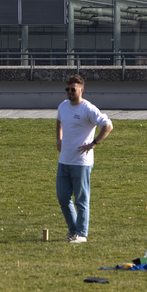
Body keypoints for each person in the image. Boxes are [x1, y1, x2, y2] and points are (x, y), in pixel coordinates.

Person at [55, 74, 112, 243]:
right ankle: (73, 231)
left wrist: (93, 143)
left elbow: (108, 126)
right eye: (67, 89)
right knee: (63, 198)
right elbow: (58, 122)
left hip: (81, 162)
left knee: (81, 199)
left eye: (73, 89)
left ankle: (81, 233)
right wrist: (59, 139)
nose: (69, 92)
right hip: (64, 160)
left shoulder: (88, 108)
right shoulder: (63, 106)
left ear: (81, 90)